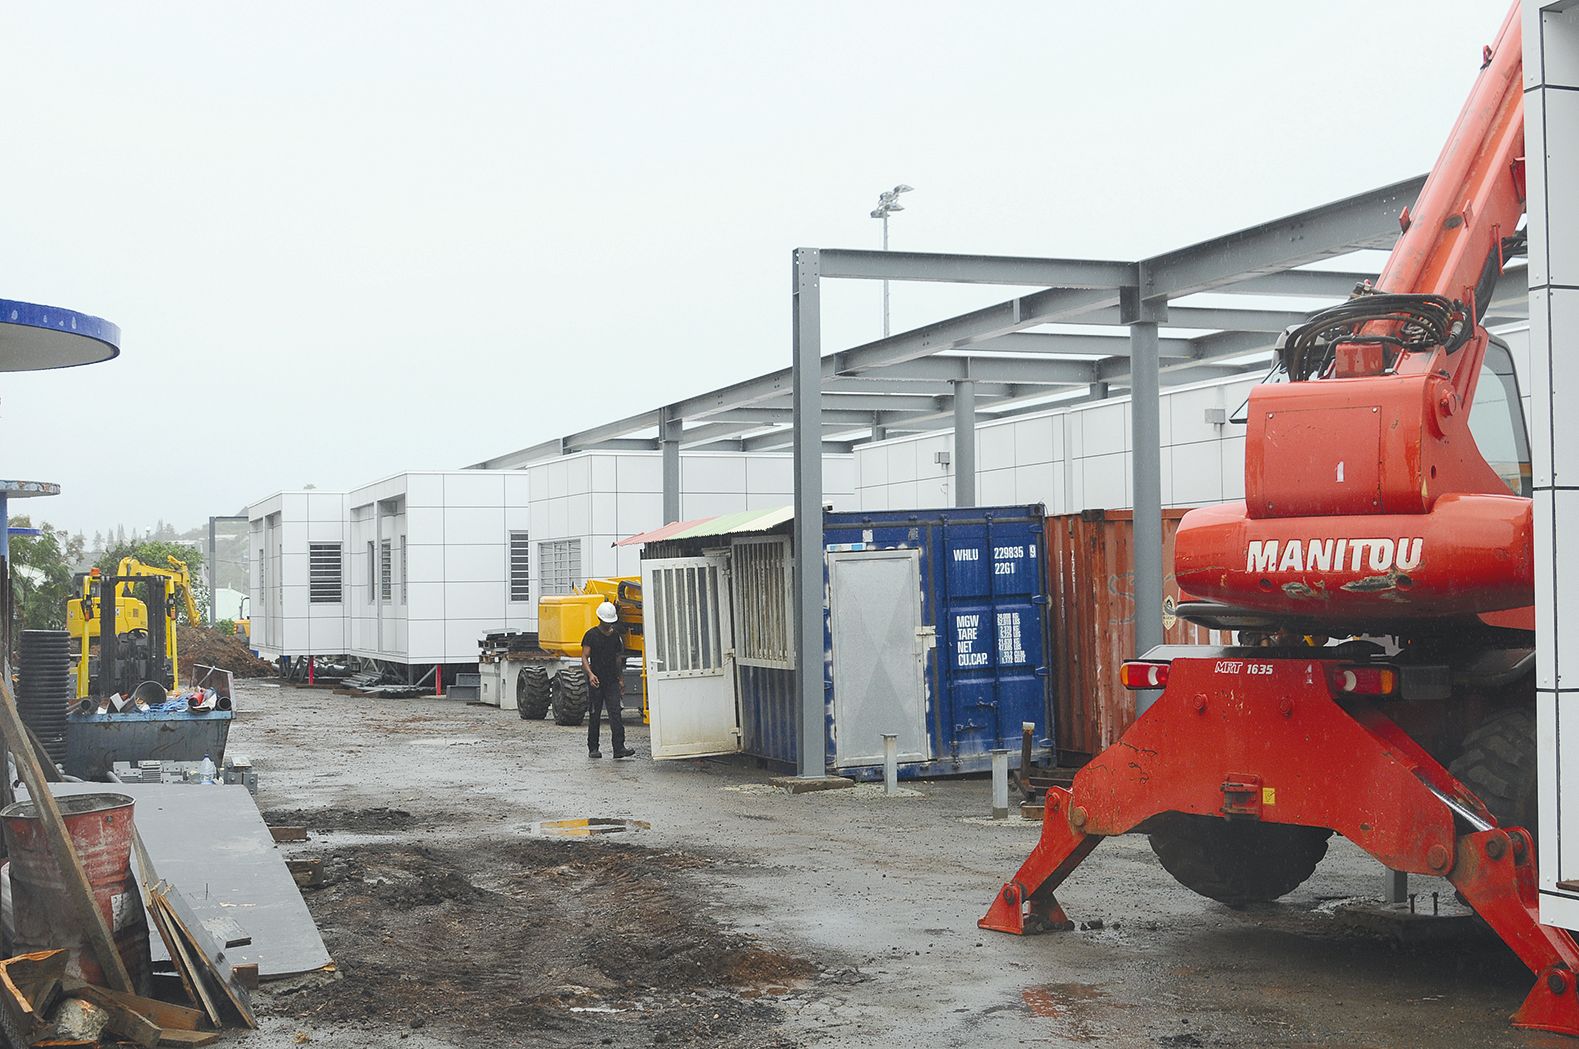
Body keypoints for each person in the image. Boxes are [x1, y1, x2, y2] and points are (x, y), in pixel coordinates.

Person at [583, 601, 635, 759]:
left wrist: (620, 679)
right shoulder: (591, 635)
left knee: (615, 714)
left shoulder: (615, 637)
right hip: (596, 681)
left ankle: (619, 748)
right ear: (600, 619)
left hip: (612, 680)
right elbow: (584, 657)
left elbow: (618, 659)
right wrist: (591, 675)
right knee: (595, 714)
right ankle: (593, 748)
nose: (608, 625)